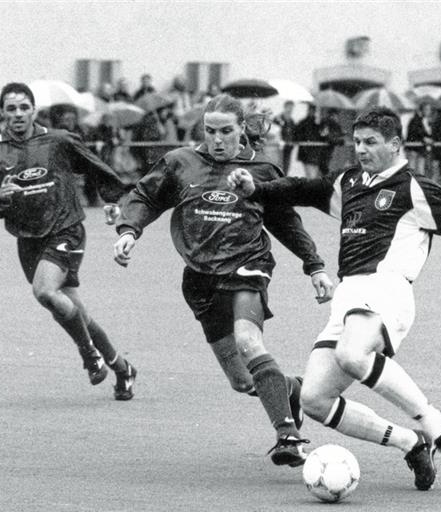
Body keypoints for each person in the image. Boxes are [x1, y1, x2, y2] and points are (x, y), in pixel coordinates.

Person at [227, 107, 441, 490]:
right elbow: (301, 189)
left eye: (370, 142)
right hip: (350, 295)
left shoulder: (414, 188)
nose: (361, 149)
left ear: (395, 144)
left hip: (387, 289)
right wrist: (258, 189)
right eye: (356, 142)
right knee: (314, 399)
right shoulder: (350, 182)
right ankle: (411, 442)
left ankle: (439, 426)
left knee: (353, 355)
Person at [112, 94, 335, 467]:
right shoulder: (181, 162)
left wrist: (314, 266)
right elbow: (145, 196)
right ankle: (290, 391)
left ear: (241, 129)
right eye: (210, 130)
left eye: (226, 131)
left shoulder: (261, 170)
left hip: (248, 267)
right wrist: (129, 229)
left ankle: (288, 436)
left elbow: (285, 223)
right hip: (200, 279)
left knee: (249, 341)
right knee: (242, 381)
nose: (217, 139)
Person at [0, 82, 137, 399]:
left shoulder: (57, 140)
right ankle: (123, 368)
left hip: (66, 228)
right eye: (11, 108)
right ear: (3, 113)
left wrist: (112, 199)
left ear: (34, 110)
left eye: (24, 107)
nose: (18, 113)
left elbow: (96, 165)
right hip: (28, 239)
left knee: (45, 291)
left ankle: (89, 355)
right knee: (74, 311)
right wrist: (1, 197)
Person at [405, 101, 436, 179]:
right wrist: (424, 138)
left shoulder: (426, 121)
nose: (428, 111)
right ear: (422, 110)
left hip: (420, 149)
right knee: (413, 170)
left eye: (429, 109)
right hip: (414, 149)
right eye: (426, 109)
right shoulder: (416, 120)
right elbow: (415, 131)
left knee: (420, 171)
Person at [295, 104, 323, 179]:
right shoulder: (304, 123)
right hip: (308, 153)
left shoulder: (317, 124)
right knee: (311, 176)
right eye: (311, 110)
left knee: (312, 176)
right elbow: (298, 135)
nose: (312, 112)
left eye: (313, 111)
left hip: (314, 153)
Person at [273, 100, 296, 173]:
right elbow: (274, 131)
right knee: (279, 165)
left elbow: (293, 133)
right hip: (279, 146)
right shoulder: (278, 118)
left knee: (286, 166)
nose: (290, 110)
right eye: (289, 107)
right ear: (285, 107)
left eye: (292, 108)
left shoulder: (292, 121)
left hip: (288, 147)